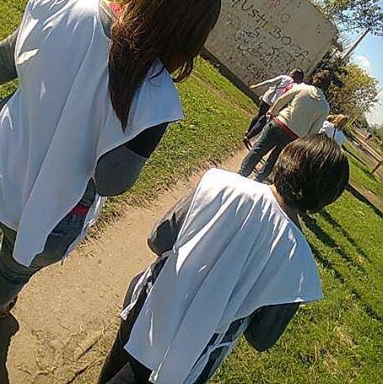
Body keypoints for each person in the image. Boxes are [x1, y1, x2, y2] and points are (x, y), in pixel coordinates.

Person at [0, 0, 221, 326]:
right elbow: (111, 181)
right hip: (51, 211)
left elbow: (6, 59)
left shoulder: (71, 1)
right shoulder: (158, 99)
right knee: (11, 272)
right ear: (192, 38)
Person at [98, 135, 349, 384]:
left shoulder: (220, 184)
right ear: (325, 199)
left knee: (117, 367)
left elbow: (158, 239)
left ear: (285, 159)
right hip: (197, 353)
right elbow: (262, 338)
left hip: (148, 306)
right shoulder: (299, 264)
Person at [239, 70, 331, 182]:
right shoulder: (325, 108)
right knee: (274, 160)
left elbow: (282, 99)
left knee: (258, 149)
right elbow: (314, 131)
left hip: (280, 123)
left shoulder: (302, 88)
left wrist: (273, 112)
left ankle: (242, 174)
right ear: (327, 87)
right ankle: (258, 179)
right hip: (294, 136)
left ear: (314, 79)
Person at [243, 69, 304, 147]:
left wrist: (257, 86)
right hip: (274, 104)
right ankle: (249, 136)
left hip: (266, 99)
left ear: (293, 74)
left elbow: (270, 82)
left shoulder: (284, 77)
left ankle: (248, 131)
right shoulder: (296, 87)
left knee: (259, 115)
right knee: (263, 121)